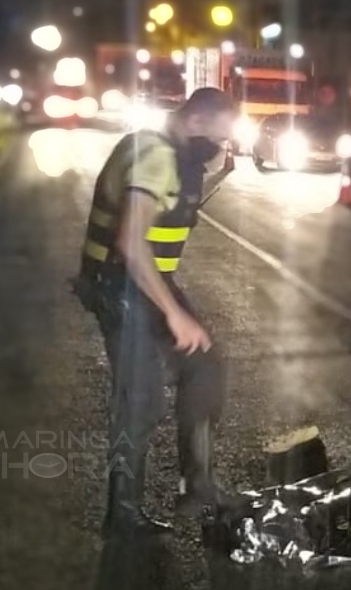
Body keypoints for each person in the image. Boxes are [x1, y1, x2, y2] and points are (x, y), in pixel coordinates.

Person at [75, 87, 238, 537]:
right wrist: (175, 314)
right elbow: (131, 241)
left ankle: (199, 484)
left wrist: (217, 175)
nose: (222, 145)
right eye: (220, 136)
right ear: (198, 121)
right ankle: (122, 512)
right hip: (121, 287)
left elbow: (172, 211)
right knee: (140, 398)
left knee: (204, 366)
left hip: (145, 285)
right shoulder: (154, 154)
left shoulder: (171, 153)